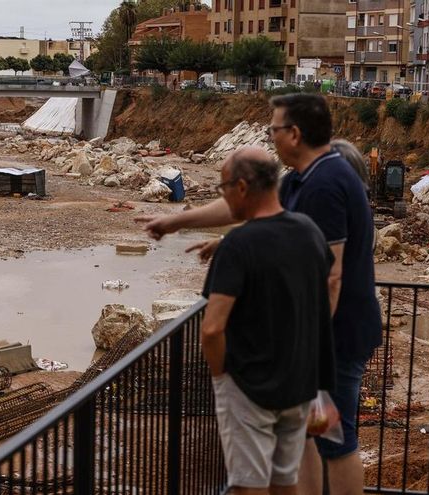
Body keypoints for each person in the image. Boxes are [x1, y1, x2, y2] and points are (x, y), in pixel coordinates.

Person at [136, 93, 382, 495]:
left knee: (335, 439)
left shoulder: (325, 183)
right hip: (319, 339)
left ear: (295, 134)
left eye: (274, 128)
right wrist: (178, 222)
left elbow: (330, 276)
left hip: (333, 337)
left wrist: (307, 345)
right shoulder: (306, 176)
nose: (270, 135)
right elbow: (250, 209)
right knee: (310, 435)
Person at [202, 146, 335, 495]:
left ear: (242, 188)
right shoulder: (309, 231)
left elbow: (213, 328)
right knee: (285, 480)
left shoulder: (238, 245)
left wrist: (222, 380)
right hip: (298, 383)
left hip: (250, 388)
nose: (225, 196)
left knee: (249, 485)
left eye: (224, 188)